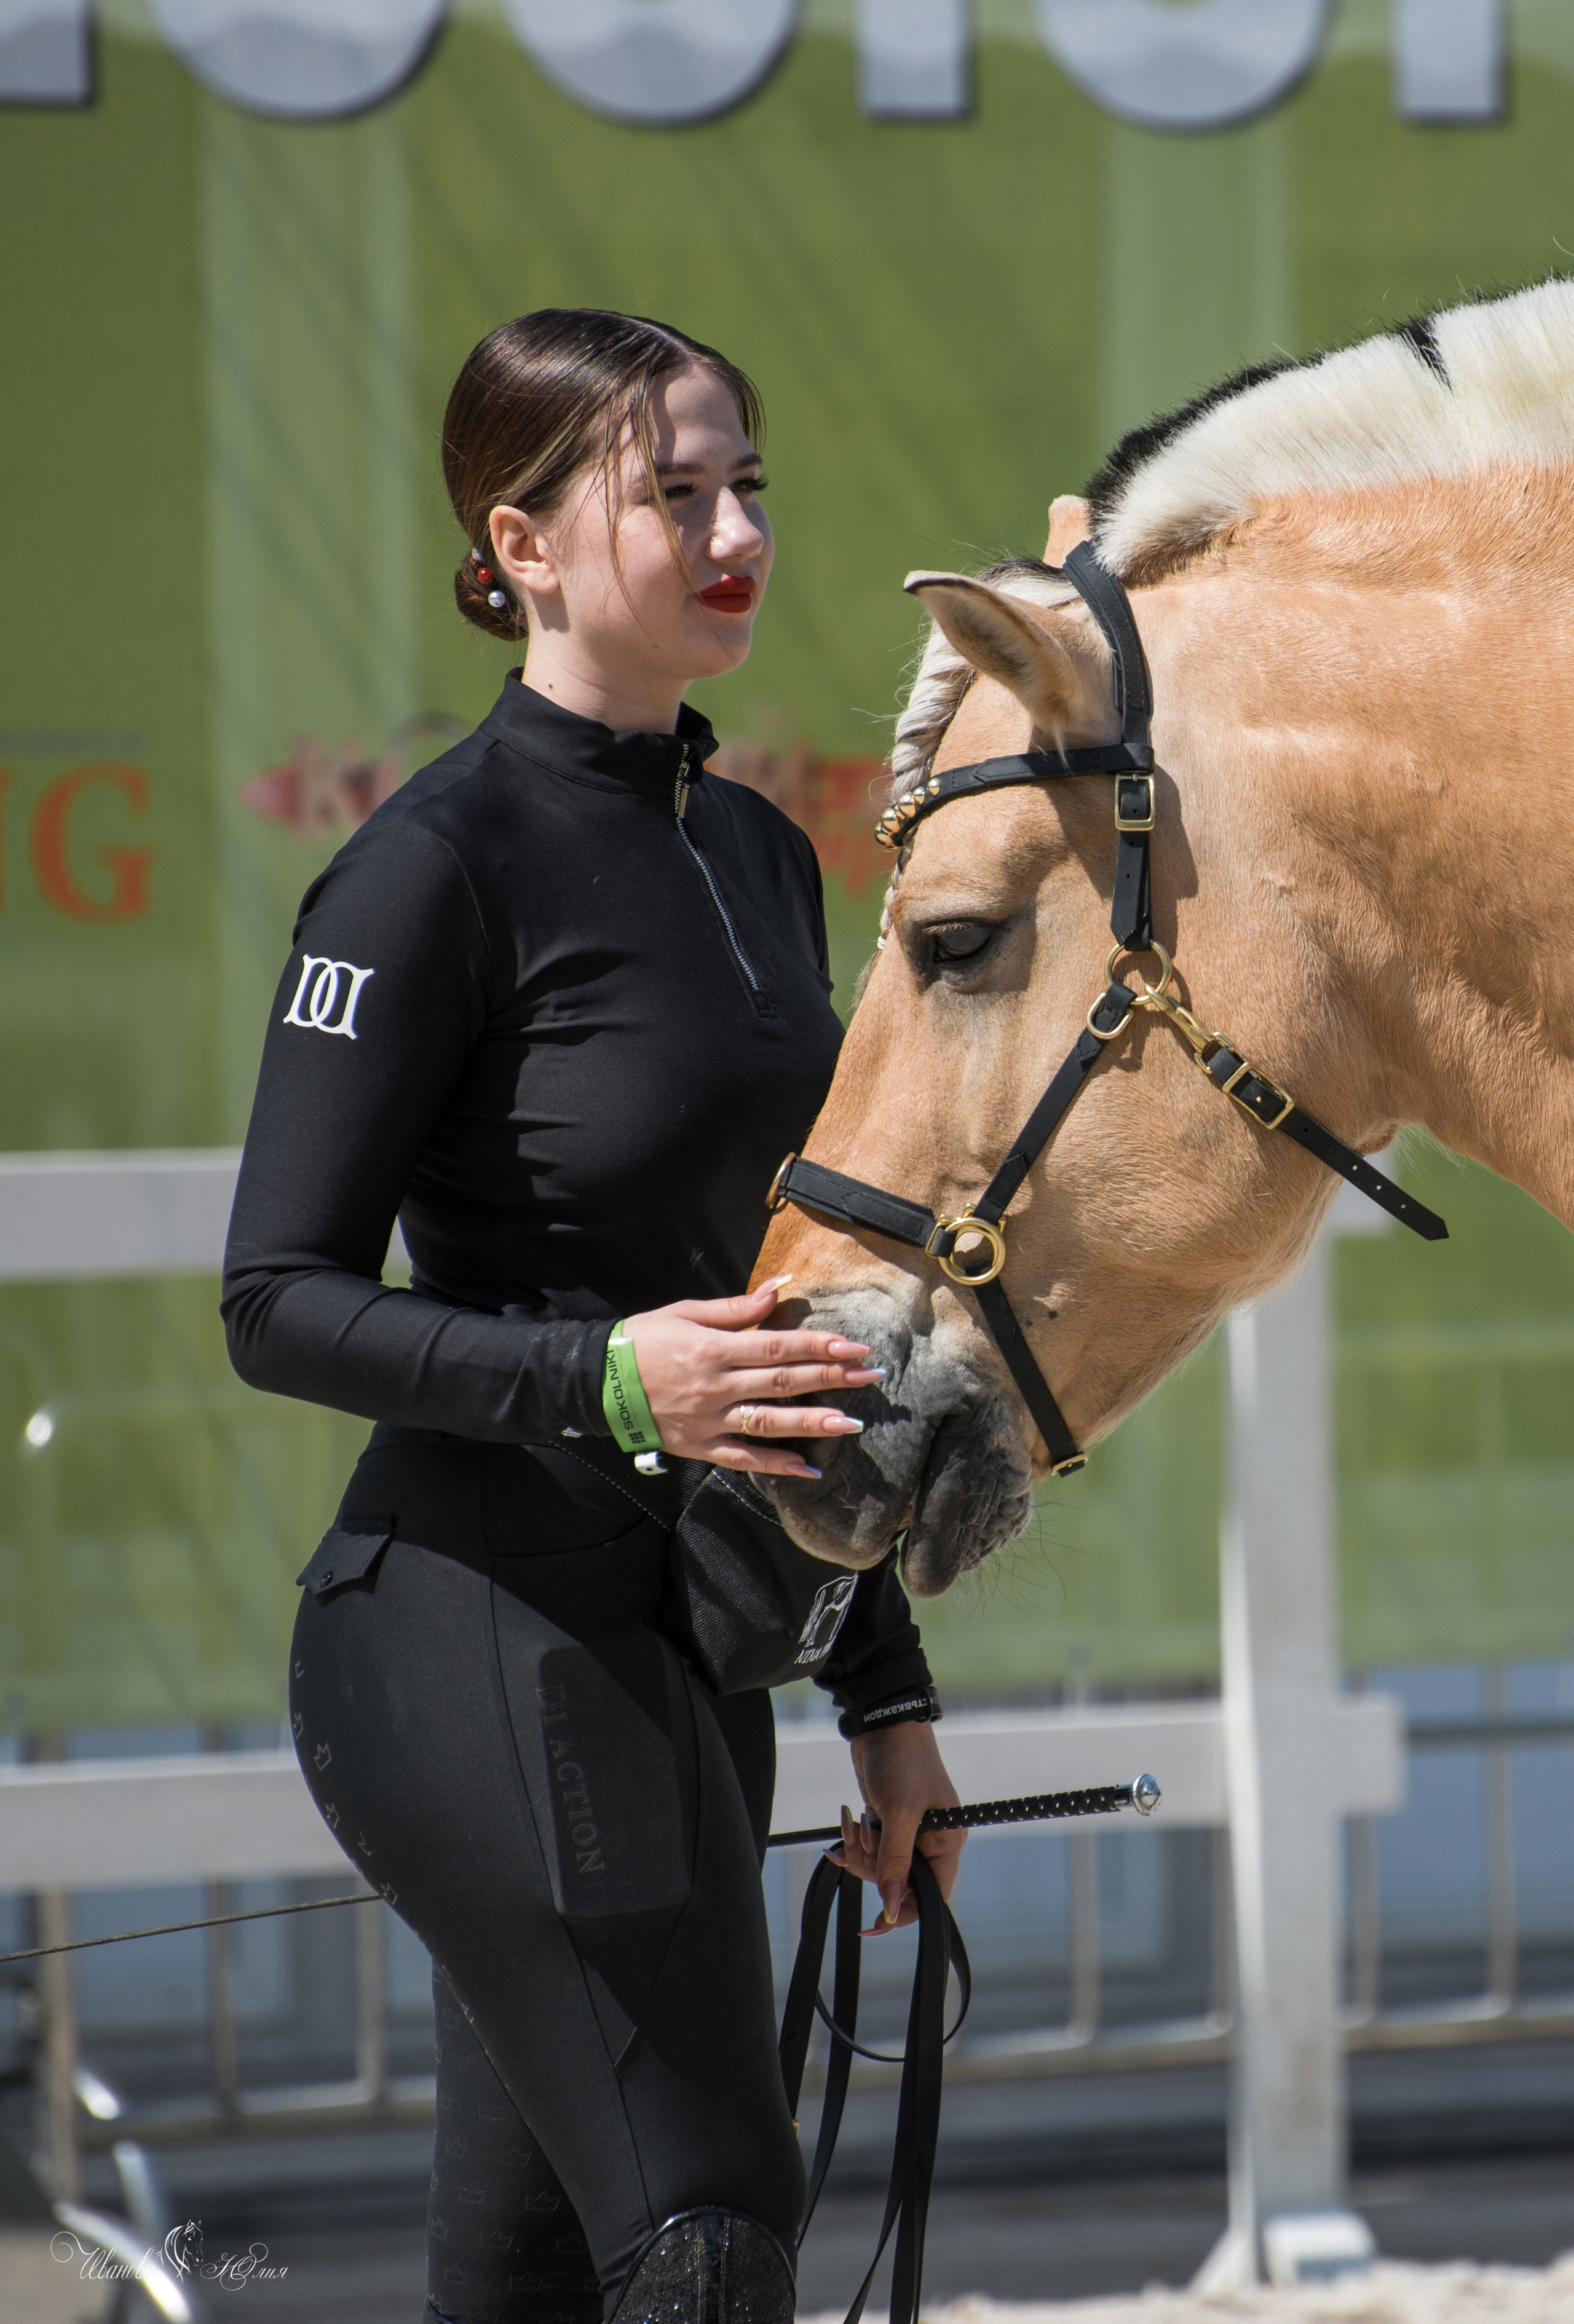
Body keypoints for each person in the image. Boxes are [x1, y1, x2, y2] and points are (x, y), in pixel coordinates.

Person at [221, 309, 964, 2324]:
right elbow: (272, 1304)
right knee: (712, 2223)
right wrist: (603, 1372)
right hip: (469, 1623)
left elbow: (777, 1311)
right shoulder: (425, 869)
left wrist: (877, 1690)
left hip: (696, 1642)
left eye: (752, 485)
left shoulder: (757, 853)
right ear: (523, 543)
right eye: (678, 490)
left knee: (542, 2266)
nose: (738, 529)